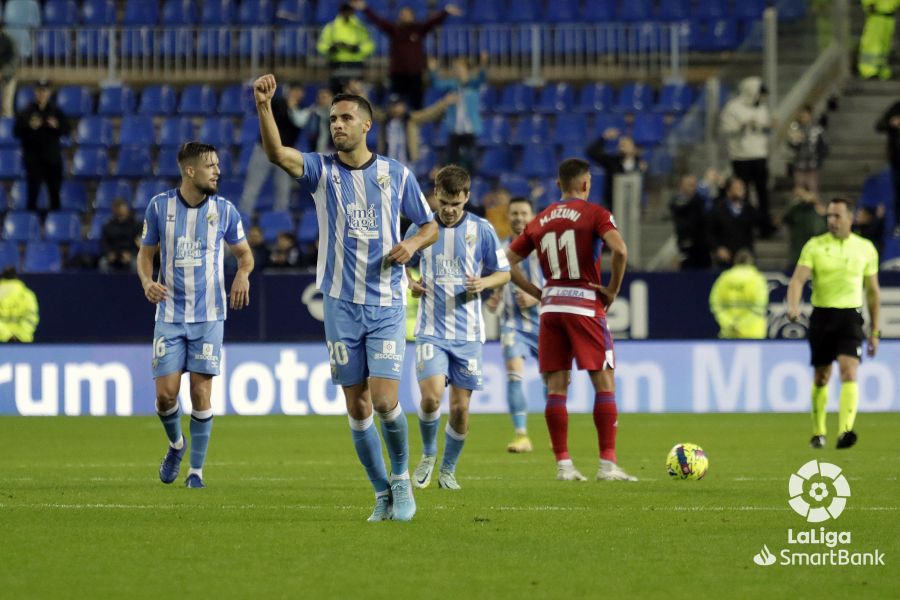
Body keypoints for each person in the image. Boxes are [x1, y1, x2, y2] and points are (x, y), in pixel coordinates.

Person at [254, 74, 438, 521]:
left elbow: (430, 225)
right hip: (339, 304)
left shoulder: (396, 174)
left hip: (386, 302)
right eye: (333, 118)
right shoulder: (322, 171)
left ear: (366, 125)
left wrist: (412, 244)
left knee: (385, 401)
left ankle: (400, 478)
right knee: (357, 407)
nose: (337, 124)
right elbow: (277, 153)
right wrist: (264, 106)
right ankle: (380, 492)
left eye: (346, 118)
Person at [506, 158, 637, 483]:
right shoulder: (595, 213)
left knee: (556, 388)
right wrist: (611, 290)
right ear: (586, 184)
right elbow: (620, 251)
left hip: (551, 308)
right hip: (584, 305)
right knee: (604, 382)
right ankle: (607, 465)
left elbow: (506, 260)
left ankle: (564, 466)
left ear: (558, 185)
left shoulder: (541, 219)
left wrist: (537, 292)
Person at [137, 142, 254, 489]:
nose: (218, 171)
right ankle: (176, 444)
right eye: (211, 166)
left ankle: (196, 472)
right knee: (165, 396)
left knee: (201, 394)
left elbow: (245, 255)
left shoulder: (226, 211)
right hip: (169, 314)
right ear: (190, 171)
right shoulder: (159, 207)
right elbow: (145, 255)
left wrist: (243, 274)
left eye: (218, 165)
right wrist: (147, 282)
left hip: (209, 316)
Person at [407, 165, 510, 490]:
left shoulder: (482, 230)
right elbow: (400, 264)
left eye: (456, 204)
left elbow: (504, 272)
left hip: (468, 335)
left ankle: (448, 470)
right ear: (435, 195)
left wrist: (484, 283)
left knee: (461, 409)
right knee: (431, 399)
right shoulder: (420, 229)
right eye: (444, 203)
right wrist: (410, 282)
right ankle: (428, 454)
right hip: (431, 330)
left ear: (467, 197)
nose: (449, 210)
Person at [787, 198, 880, 450]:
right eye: (829, 216)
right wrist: (793, 305)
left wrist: (875, 331)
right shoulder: (815, 246)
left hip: (850, 317)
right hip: (822, 316)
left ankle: (845, 431)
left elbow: (873, 292)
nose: (831, 221)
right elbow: (797, 280)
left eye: (837, 216)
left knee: (849, 370)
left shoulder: (865, 248)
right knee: (822, 376)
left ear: (850, 218)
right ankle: (818, 432)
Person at [486, 196, 542, 452]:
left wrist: (536, 296)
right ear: (508, 217)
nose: (519, 218)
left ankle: (555, 433)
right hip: (513, 322)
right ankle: (521, 435)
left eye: (524, 213)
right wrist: (496, 295)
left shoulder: (544, 246)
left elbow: (560, 280)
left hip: (545, 322)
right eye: (515, 213)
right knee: (513, 373)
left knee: (553, 380)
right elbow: (500, 276)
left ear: (533, 216)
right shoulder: (501, 248)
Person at [352, 0, 462, 109]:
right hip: (398, 74)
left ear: (413, 16)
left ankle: (417, 120)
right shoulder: (394, 29)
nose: (405, 16)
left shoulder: (418, 29)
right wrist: (365, 8)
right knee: (396, 103)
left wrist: (445, 12)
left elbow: (432, 22)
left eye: (408, 14)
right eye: (403, 14)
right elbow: (378, 21)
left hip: (415, 74)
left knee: (417, 104)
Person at [239, 82, 304, 215]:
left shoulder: (300, 112)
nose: (296, 94)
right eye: (294, 91)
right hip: (264, 152)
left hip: (283, 155)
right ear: (288, 92)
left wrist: (292, 109)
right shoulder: (277, 103)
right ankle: (242, 220)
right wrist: (288, 107)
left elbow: (296, 130)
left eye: (299, 92)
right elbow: (271, 113)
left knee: (283, 193)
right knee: (251, 190)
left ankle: (279, 223)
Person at [720, 76, 774, 237]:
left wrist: (768, 127)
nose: (761, 98)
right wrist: (743, 126)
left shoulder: (761, 108)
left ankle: (765, 226)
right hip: (741, 157)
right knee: (743, 194)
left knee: (763, 192)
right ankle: (745, 228)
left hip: (759, 154)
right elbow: (727, 130)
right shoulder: (733, 108)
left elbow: (765, 128)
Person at [13, 78, 69, 217]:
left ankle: (55, 224)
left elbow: (67, 130)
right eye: (39, 90)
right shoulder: (27, 111)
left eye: (44, 91)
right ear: (35, 92)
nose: (42, 93)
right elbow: (16, 132)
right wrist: (30, 126)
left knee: (55, 195)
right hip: (34, 161)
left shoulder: (56, 111)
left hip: (53, 160)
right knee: (32, 196)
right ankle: (30, 224)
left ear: (49, 92)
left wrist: (57, 126)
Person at [428, 52, 488, 174]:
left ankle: (472, 181)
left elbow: (481, 78)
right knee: (452, 161)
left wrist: (483, 64)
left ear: (467, 70)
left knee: (470, 160)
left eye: (460, 68)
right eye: (455, 68)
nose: (457, 71)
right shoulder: (452, 85)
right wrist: (433, 70)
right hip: (455, 130)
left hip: (470, 130)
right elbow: (437, 84)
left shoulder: (473, 85)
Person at [376, 92, 455, 164]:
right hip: (387, 162)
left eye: (398, 105)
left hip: (407, 163)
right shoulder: (383, 119)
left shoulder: (411, 119)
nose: (395, 108)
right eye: (393, 105)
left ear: (404, 106)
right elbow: (371, 111)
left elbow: (429, 113)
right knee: (383, 176)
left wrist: (444, 103)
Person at [708, 249, 769, 339]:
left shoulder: (724, 278)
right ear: (751, 261)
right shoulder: (757, 279)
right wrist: (741, 325)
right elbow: (760, 306)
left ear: (735, 261)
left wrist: (730, 324)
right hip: (753, 333)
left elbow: (715, 303)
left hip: (729, 332)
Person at [317, 3, 374, 94]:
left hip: (355, 64)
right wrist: (330, 48)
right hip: (337, 64)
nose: (347, 13)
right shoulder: (331, 27)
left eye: (349, 11)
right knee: (336, 93)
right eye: (345, 10)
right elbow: (321, 44)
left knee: (356, 93)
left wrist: (358, 49)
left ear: (353, 12)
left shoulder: (360, 28)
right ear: (341, 12)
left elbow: (369, 45)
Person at [586, 133, 647, 209]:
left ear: (634, 147)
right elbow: (591, 152)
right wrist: (604, 138)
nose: (622, 146)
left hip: (632, 205)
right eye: (621, 144)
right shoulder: (612, 161)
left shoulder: (640, 164)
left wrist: (644, 171)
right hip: (613, 204)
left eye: (626, 144)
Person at [709, 177, 756, 268]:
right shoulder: (718, 209)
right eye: (737, 188)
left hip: (745, 258)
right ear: (728, 191)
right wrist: (718, 248)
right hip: (725, 258)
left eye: (743, 188)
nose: (742, 191)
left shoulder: (748, 209)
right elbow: (709, 231)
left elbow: (759, 223)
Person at [669, 174, 711, 270]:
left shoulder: (700, 201)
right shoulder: (677, 201)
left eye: (694, 185)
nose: (693, 188)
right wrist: (704, 186)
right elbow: (683, 207)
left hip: (702, 245)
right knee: (687, 271)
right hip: (686, 244)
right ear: (681, 186)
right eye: (690, 185)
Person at [782, 184, 826, 267]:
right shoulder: (796, 209)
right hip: (797, 255)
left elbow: (822, 228)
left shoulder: (817, 210)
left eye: (802, 194)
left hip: (814, 255)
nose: (800, 198)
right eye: (797, 195)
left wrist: (816, 202)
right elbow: (785, 218)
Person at [787, 105, 828, 194]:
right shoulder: (796, 128)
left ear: (810, 115)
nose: (803, 117)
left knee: (812, 189)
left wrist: (819, 159)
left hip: (812, 164)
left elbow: (823, 146)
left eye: (805, 115)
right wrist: (794, 139)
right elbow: (791, 145)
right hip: (799, 164)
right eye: (802, 115)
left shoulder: (817, 129)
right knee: (799, 190)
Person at [875, 99, 900, 231]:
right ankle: (898, 224)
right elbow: (879, 125)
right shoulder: (895, 108)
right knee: (898, 193)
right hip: (897, 161)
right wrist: (891, 123)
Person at [858, 0, 898, 80]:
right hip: (876, 15)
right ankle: (868, 70)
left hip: (889, 16)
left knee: (885, 46)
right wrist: (868, 3)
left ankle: (881, 70)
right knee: (872, 44)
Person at [100, 199, 142, 272]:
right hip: (113, 255)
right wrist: (109, 253)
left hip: (131, 255)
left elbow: (140, 244)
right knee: (103, 263)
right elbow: (104, 243)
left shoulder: (136, 225)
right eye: (116, 207)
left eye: (121, 206)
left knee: (135, 263)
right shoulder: (108, 226)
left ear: (127, 208)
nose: (119, 209)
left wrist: (131, 254)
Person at [0, 267, 38, 343]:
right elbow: (31, 317)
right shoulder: (27, 294)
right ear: (16, 277)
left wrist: (7, 336)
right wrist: (21, 335)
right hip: (22, 343)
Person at [0, 25, 18, 118]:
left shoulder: (10, 41)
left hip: (8, 77)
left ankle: (6, 126)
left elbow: (14, 61)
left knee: (6, 108)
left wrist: (3, 73)